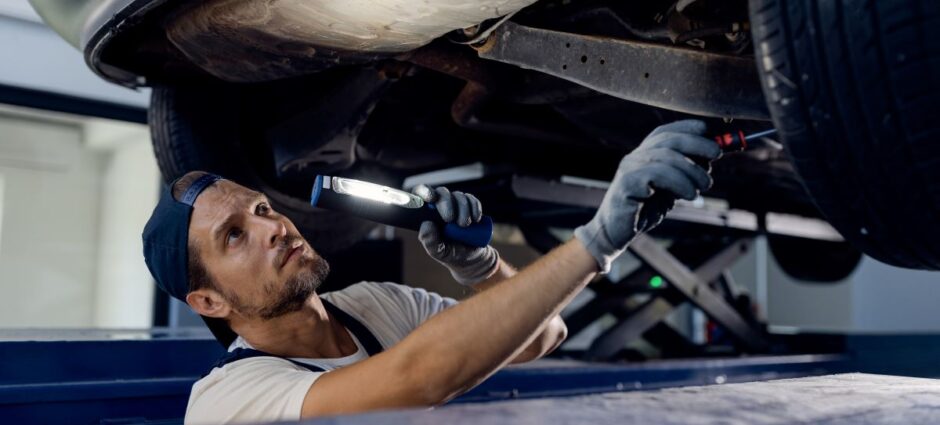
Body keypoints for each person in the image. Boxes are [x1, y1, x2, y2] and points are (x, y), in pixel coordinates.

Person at [141, 120, 720, 424]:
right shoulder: (225, 401)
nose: (272, 226)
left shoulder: (375, 305)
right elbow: (421, 375)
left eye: (262, 208)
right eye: (234, 236)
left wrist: (482, 266)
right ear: (209, 302)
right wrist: (597, 240)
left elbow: (543, 337)